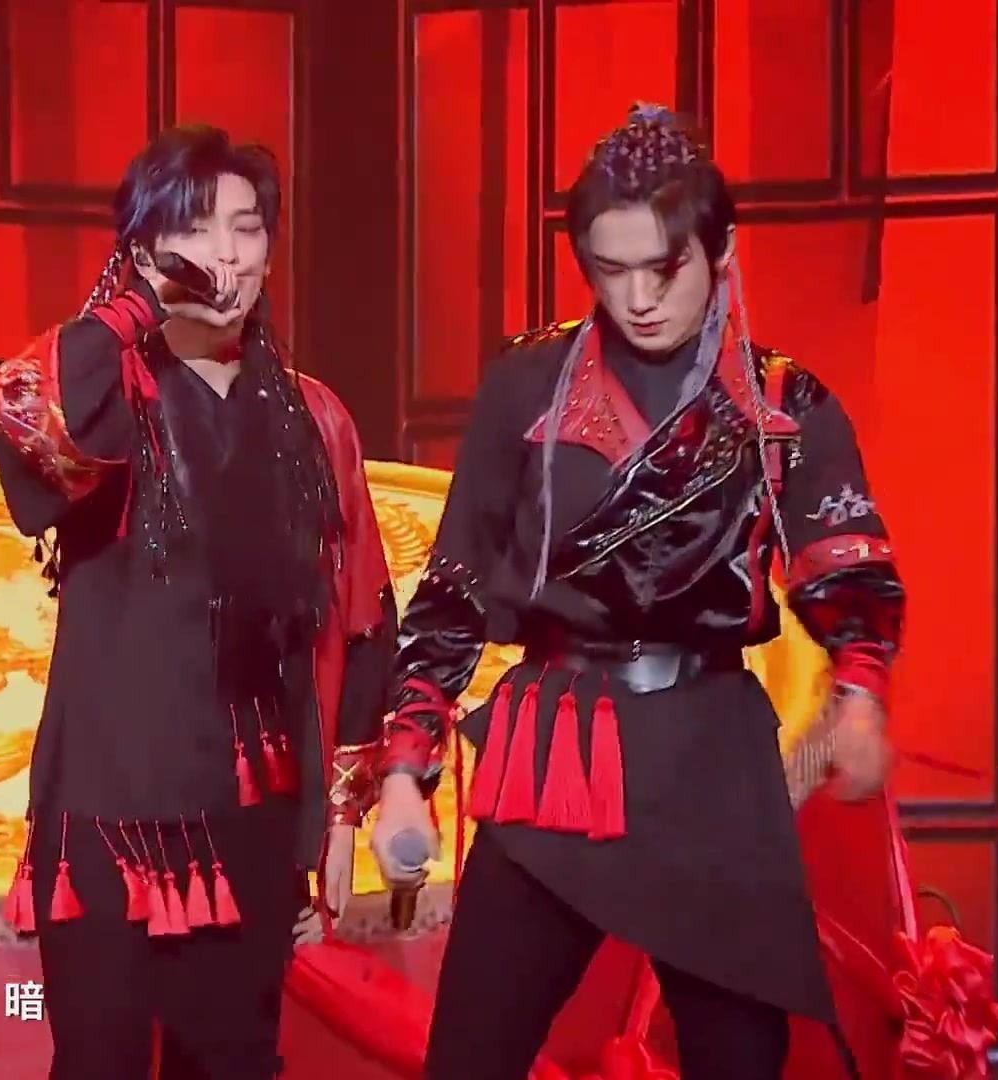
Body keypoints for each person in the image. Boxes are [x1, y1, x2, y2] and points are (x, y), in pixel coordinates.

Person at [369, 104, 904, 1079]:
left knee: (739, 1060)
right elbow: (454, 587)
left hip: (710, 755)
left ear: (721, 250)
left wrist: (861, 692)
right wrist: (408, 768)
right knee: (472, 1055)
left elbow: (846, 571)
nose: (639, 298)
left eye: (665, 268)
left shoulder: (783, 403)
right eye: (609, 271)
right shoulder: (527, 385)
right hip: (560, 745)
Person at [0, 125, 397, 1079]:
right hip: (108, 807)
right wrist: (138, 305)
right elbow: (17, 405)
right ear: (145, 249)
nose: (224, 256)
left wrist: (341, 813)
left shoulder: (314, 417)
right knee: (100, 1062)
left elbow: (361, 618)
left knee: (233, 1062)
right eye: (193, 230)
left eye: (245, 228)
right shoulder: (113, 397)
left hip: (251, 811)